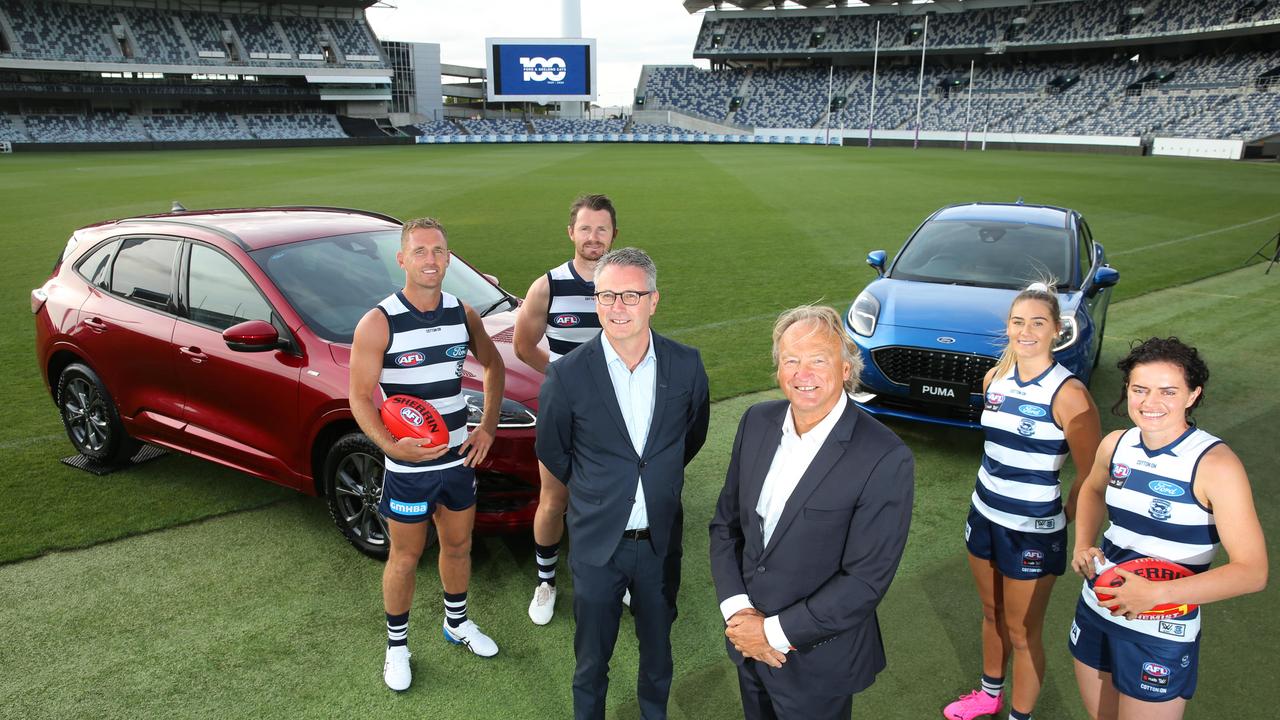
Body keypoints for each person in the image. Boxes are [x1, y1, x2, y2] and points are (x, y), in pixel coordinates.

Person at [708, 305, 915, 720]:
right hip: (747, 646)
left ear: (844, 369)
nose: (803, 373)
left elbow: (864, 582)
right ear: (779, 369)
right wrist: (740, 616)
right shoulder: (755, 423)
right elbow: (726, 527)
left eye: (818, 360)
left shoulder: (885, 456)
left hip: (820, 665)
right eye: (791, 360)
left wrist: (768, 633)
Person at [536, 247, 710, 720]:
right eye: (607, 295)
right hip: (597, 546)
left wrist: (653, 479)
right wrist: (600, 489)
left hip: (659, 545)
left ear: (654, 300)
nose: (617, 306)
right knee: (591, 663)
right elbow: (553, 450)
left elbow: (689, 437)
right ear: (595, 301)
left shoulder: (687, 365)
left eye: (630, 295)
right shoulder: (566, 374)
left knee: (658, 658)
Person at [1069, 337, 1267, 720]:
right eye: (1139, 389)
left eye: (1168, 391)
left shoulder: (1216, 465)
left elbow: (1253, 572)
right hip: (1097, 608)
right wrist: (1082, 543)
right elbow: (1092, 490)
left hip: (1162, 632)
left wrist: (1156, 594)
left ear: (1193, 395)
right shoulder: (1116, 444)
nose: (1149, 402)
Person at [349, 218, 506, 692]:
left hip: (458, 463)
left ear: (448, 257)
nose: (431, 260)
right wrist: (391, 446)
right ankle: (397, 648)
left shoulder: (463, 313)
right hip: (408, 470)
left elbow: (494, 365)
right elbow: (359, 397)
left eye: (438, 251)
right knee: (405, 556)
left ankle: (456, 624)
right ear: (402, 260)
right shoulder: (378, 322)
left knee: (459, 546)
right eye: (420, 251)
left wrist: (488, 427)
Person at [945, 282, 1101, 720]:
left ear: (1056, 330)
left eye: (1037, 323)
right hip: (984, 516)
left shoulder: (1070, 394)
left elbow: (1093, 476)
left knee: (1022, 629)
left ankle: (1020, 716)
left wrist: (1066, 520)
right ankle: (988, 695)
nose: (1026, 331)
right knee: (991, 613)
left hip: (1032, 530)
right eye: (1018, 322)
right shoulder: (993, 379)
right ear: (1008, 327)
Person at [513, 193, 618, 625]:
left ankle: (614, 578)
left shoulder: (625, 285)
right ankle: (546, 582)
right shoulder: (548, 285)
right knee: (554, 500)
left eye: (602, 229)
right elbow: (521, 345)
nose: (594, 237)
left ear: (613, 235)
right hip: (562, 413)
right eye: (586, 228)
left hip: (614, 415)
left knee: (613, 500)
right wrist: (562, 375)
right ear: (571, 232)